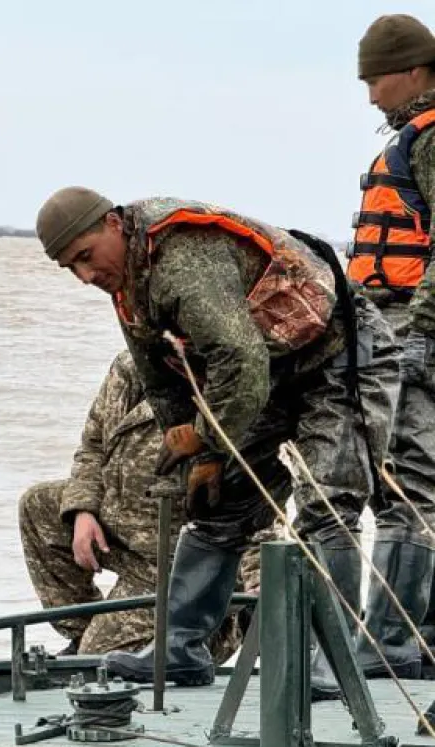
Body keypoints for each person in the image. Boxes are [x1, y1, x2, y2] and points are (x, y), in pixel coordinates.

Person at [35, 187, 397, 687]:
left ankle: (331, 662)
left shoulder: (180, 261)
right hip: (272, 370)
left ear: (113, 226)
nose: (85, 276)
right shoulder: (129, 290)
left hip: (339, 356)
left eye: (85, 257)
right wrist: (200, 456)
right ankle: (180, 649)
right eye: (70, 268)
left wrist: (208, 440)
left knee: (327, 501)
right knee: (216, 502)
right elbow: (164, 385)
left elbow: (240, 362)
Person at [20, 351, 263, 661]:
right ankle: (84, 633)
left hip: (179, 565)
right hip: (124, 528)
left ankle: (205, 637)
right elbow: (93, 446)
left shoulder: (232, 386)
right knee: (38, 506)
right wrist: (84, 510)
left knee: (99, 662)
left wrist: (258, 582)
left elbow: (257, 505)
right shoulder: (131, 365)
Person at [351, 14, 435, 677]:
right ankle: (416, 636)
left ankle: (391, 642)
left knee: (404, 483)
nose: (372, 94)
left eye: (377, 78)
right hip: (395, 322)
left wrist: (420, 339)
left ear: (413, 71)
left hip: (410, 323)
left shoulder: (430, 143)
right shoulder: (416, 139)